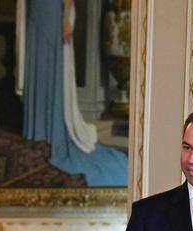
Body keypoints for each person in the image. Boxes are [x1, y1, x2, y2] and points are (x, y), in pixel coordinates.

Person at [16, 0, 128, 185]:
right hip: (34, 10)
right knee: (38, 68)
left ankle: (51, 129)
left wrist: (65, 18)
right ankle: (37, 129)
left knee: (53, 69)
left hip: (53, 12)